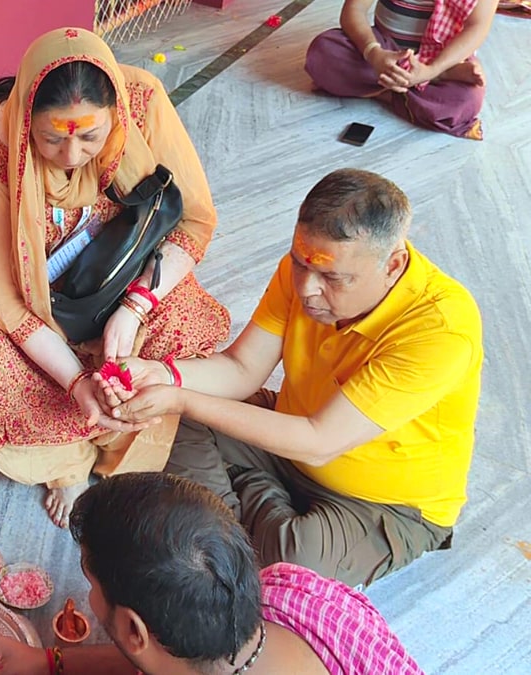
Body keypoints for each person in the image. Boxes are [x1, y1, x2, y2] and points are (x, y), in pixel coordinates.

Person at [0, 28, 229, 527]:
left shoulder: (142, 100)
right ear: (24, 126)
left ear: (117, 118)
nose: (72, 158)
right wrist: (77, 380)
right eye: (51, 140)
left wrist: (136, 306)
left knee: (174, 330)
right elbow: (12, 305)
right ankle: (62, 465)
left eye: (91, 137)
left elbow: (192, 221)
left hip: (114, 256)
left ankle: (116, 449)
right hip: (9, 268)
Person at [112, 169, 482, 588]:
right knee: (172, 415)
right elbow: (241, 369)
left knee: (293, 561)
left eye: (332, 278)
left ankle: (227, 526)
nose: (306, 288)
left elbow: (320, 442)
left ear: (393, 265)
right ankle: (240, 532)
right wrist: (164, 375)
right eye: (299, 263)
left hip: (379, 501)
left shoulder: (440, 328)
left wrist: (179, 397)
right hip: (289, 438)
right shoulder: (304, 269)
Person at [0, 473, 424, 675]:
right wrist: (48, 662)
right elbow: (170, 657)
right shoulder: (297, 590)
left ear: (134, 628)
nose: (87, 593)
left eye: (91, 581)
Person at [304, 0, 498, 139]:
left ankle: (434, 76)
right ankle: (409, 88)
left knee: (466, 101)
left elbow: (476, 28)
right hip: (384, 49)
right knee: (324, 51)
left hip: (441, 58)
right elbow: (353, 9)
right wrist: (373, 53)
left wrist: (432, 69)